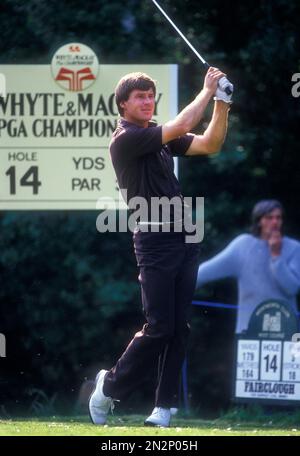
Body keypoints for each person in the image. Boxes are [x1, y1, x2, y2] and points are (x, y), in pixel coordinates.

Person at [89, 68, 232, 427]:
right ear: (123, 104)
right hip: (153, 240)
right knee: (159, 326)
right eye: (139, 96)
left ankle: (162, 409)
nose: (147, 100)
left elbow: (210, 144)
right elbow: (183, 123)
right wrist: (207, 90)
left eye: (150, 95)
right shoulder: (126, 137)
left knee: (179, 328)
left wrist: (223, 104)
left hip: (185, 236)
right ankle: (108, 387)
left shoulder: (159, 138)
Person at [196, 200, 300, 334]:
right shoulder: (243, 246)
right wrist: (175, 289)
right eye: (269, 217)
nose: (275, 222)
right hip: (249, 332)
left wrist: (276, 256)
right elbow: (204, 272)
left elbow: (292, 288)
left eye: (278, 217)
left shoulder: (294, 248)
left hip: (287, 331)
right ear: (259, 221)